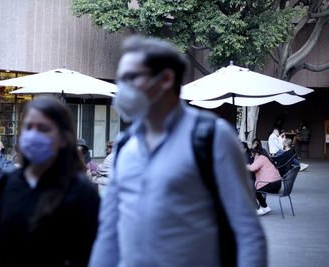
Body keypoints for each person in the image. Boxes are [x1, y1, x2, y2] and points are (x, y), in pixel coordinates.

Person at [89, 36, 266, 267]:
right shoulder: (125, 144)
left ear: (165, 79)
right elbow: (109, 230)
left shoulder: (211, 137)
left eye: (130, 78)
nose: (121, 88)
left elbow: (247, 231)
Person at [0, 97, 100, 267]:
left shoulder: (82, 191)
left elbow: (87, 255)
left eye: (43, 128)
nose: (34, 135)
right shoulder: (9, 182)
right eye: (28, 127)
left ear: (64, 138)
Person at [248, 147, 282, 216]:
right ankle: (265, 207)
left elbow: (252, 168)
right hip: (277, 184)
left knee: (251, 189)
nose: (252, 156)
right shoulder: (267, 158)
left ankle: (258, 209)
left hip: (271, 184)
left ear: (256, 153)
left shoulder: (260, 158)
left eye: (252, 154)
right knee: (256, 189)